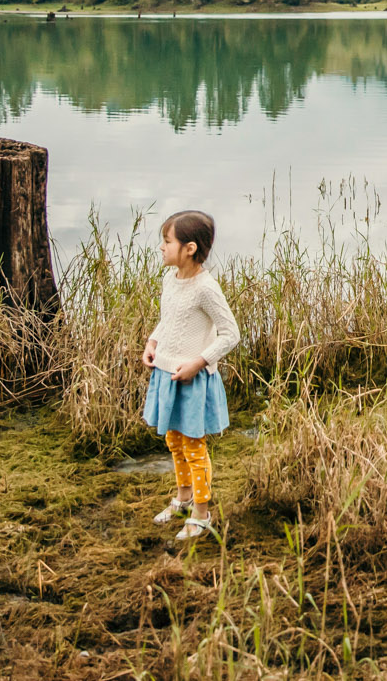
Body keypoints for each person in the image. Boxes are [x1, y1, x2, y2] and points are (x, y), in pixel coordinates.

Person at [140, 210, 241, 543]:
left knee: (194, 446)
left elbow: (230, 334)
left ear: (189, 248)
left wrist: (200, 362)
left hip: (192, 378)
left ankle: (201, 513)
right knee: (173, 439)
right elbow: (168, 320)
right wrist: (153, 342)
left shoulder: (206, 289)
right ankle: (183, 499)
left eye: (167, 241)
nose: (161, 247)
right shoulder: (171, 279)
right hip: (166, 373)